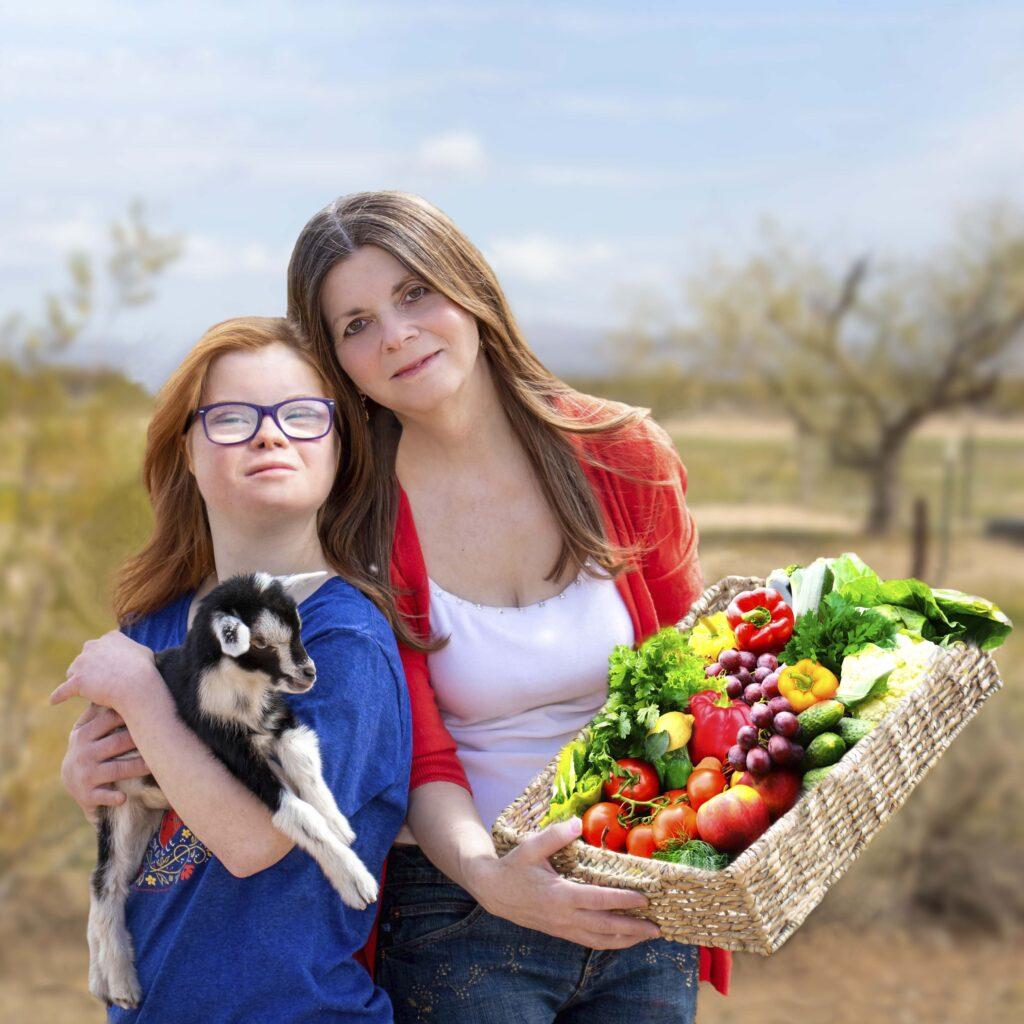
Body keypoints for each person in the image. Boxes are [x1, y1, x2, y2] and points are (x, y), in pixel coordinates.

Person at [286, 191, 731, 1023]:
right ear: (337, 362)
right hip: (462, 911)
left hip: (641, 895)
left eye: (415, 293)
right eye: (356, 325)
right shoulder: (354, 517)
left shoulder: (624, 457)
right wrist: (497, 881)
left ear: (470, 288)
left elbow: (693, 682)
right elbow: (418, 755)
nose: (396, 334)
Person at [55, 316, 411, 1023]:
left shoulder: (342, 641)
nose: (269, 434)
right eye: (231, 418)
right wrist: (86, 776)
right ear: (186, 449)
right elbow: (134, 810)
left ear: (339, 447)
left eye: (302, 415)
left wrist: (136, 692)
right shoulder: (153, 625)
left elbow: (254, 842)